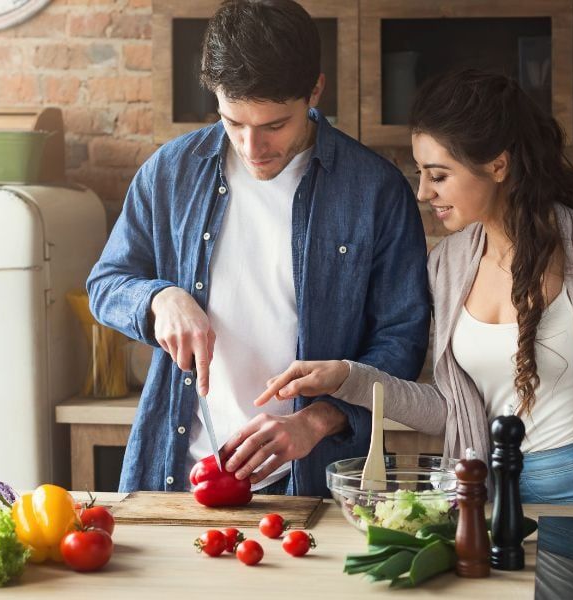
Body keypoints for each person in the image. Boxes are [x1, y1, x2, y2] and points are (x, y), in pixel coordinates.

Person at [255, 69, 573, 515]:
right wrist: (350, 378)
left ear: (498, 166)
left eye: (439, 175)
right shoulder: (447, 265)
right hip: (476, 493)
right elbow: (451, 410)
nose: (424, 192)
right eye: (421, 173)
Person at [87, 0, 430, 497]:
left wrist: (316, 421)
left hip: (313, 482)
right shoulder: (169, 173)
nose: (252, 147)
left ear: (315, 90)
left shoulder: (376, 192)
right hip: (179, 474)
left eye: (274, 125)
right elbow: (105, 284)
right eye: (233, 122)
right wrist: (160, 298)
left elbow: (401, 343)